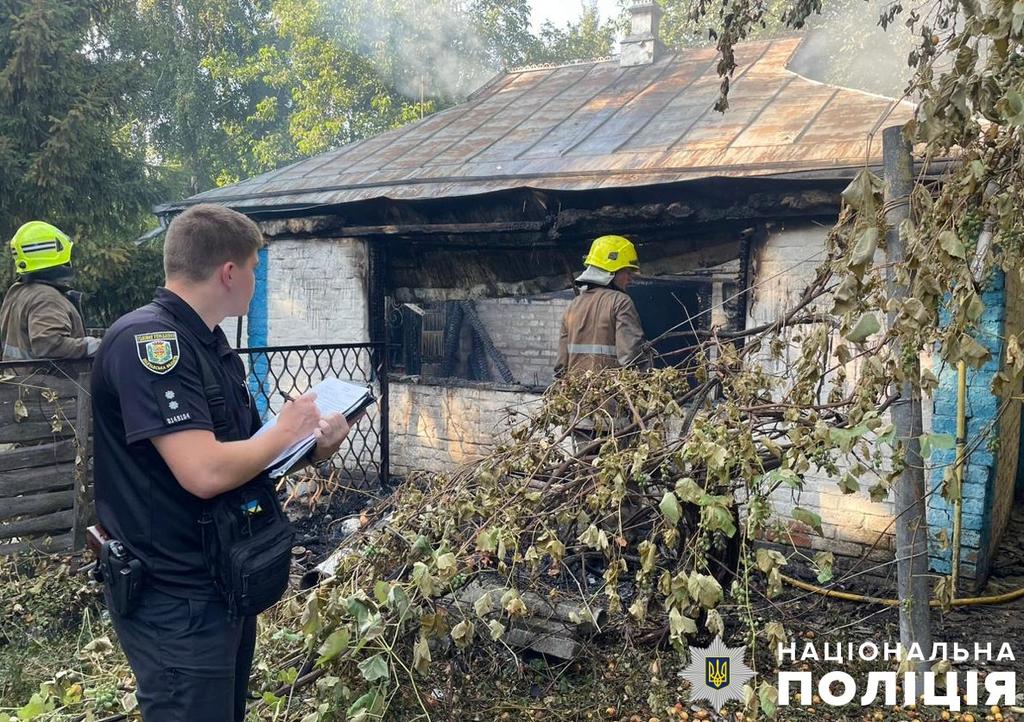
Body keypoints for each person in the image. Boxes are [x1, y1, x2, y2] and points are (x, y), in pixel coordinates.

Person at [91, 203, 353, 722]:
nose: (257, 278)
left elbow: (246, 459)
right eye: (255, 267)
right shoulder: (150, 343)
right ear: (229, 272)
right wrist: (284, 428)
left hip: (220, 583)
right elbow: (206, 472)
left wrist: (314, 446)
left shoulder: (207, 344)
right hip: (174, 596)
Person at [0, 221, 101, 360]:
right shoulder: (46, 298)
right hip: (46, 381)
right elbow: (48, 344)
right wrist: (94, 346)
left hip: (19, 379)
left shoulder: (18, 290)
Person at [555, 234, 649, 377]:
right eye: (627, 272)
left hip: (577, 394)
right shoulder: (621, 301)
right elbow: (631, 356)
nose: (630, 279)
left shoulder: (573, 305)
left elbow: (561, 365)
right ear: (611, 271)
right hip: (611, 394)